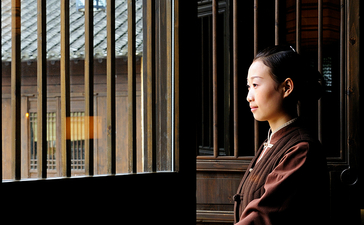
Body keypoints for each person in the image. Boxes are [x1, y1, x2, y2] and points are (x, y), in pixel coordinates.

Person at [233, 45, 329, 225]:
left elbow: (262, 216)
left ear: (286, 87)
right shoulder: (272, 141)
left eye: (255, 85)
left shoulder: (301, 149)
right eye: (248, 86)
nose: (249, 96)